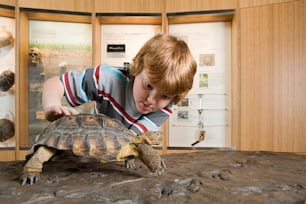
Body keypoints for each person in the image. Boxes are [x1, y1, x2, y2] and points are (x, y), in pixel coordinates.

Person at [42, 34, 197, 135]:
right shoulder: (107, 78)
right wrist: (51, 107)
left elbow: (131, 139)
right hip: (92, 137)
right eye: (148, 86)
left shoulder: (164, 109)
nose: (151, 99)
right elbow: (54, 83)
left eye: (164, 95)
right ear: (138, 68)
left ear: (174, 97)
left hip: (123, 149)